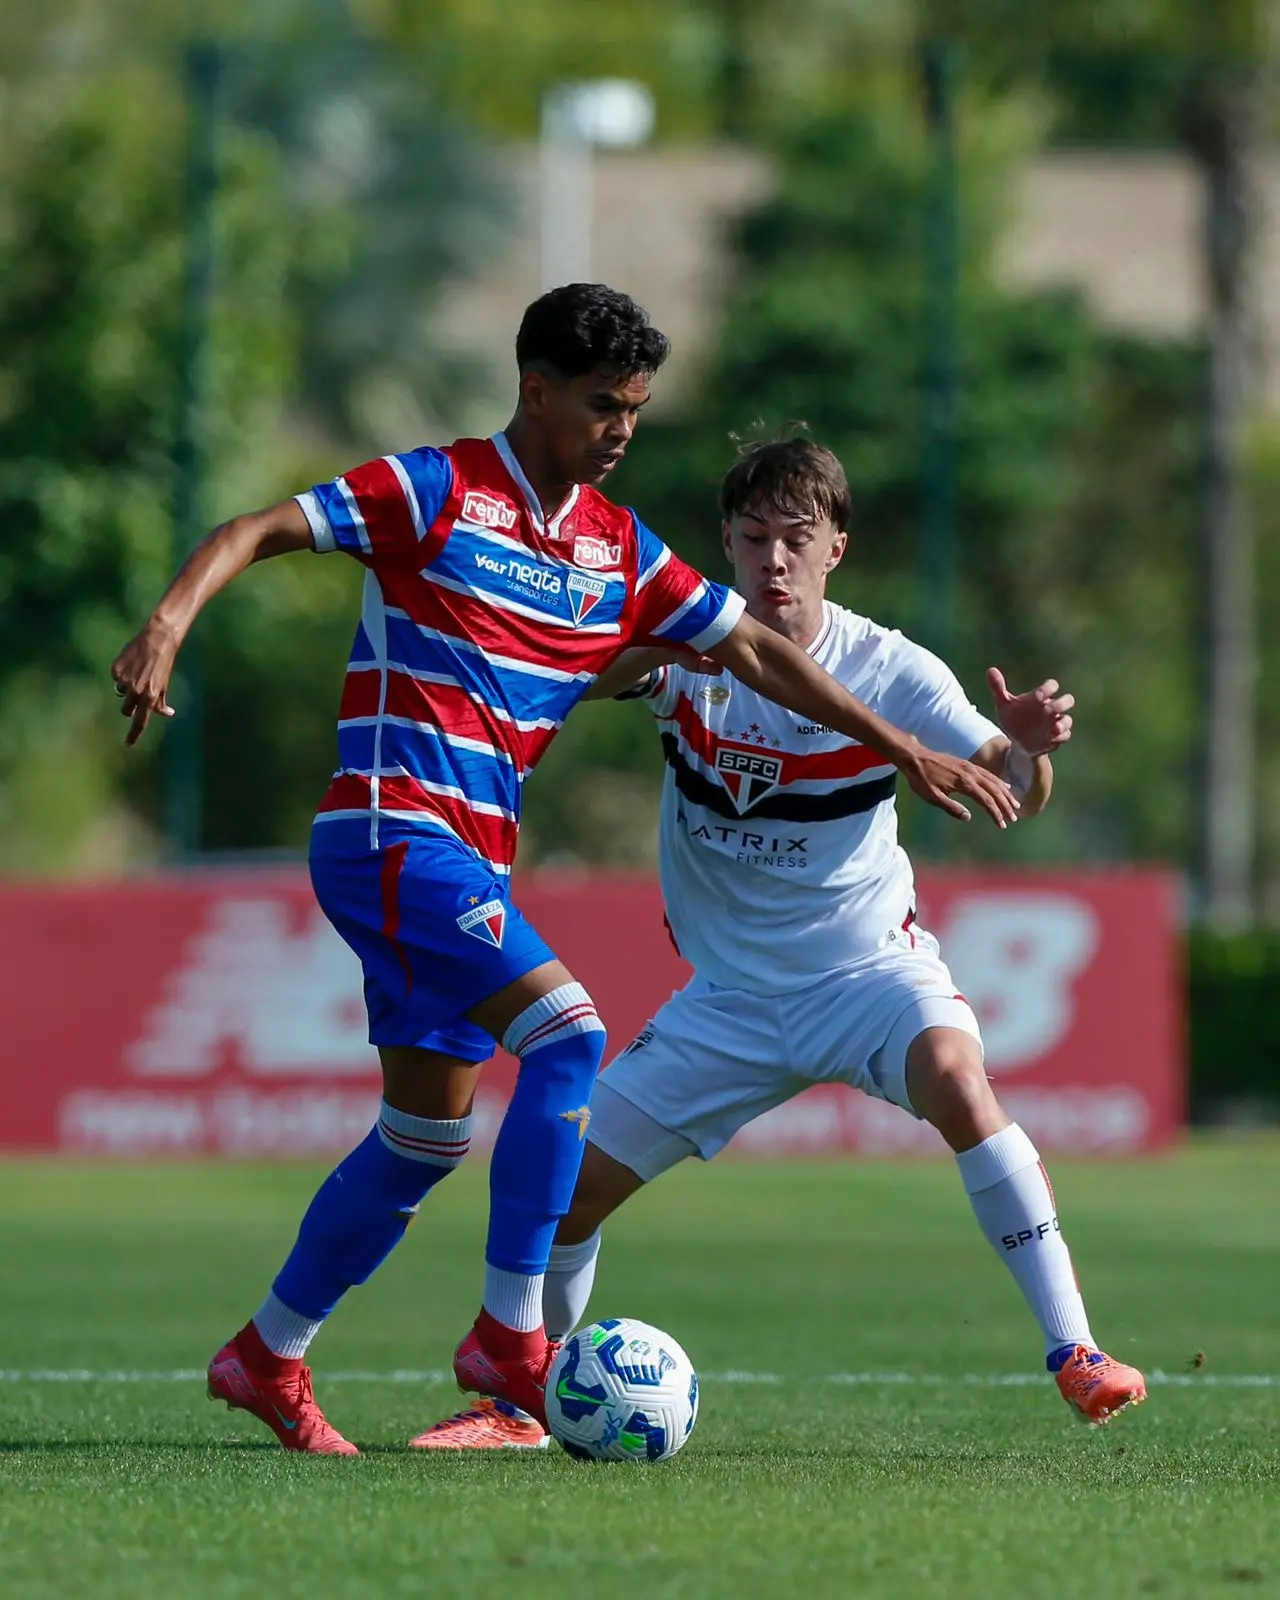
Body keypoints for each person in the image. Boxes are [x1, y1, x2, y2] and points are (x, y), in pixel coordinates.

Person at [110, 288, 1017, 1456]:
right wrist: (169, 621)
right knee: (569, 1032)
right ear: (535, 389)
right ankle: (508, 1341)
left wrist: (901, 746)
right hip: (392, 825)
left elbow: (747, 646)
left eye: (636, 407)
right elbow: (255, 528)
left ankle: (265, 1354)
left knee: (422, 1138)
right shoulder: (437, 491)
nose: (622, 428)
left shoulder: (617, 550)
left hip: (465, 851)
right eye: (603, 404)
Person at [413, 432, 1145, 1452]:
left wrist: (1023, 747)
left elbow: (1010, 786)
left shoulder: (888, 669)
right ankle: (517, 1406)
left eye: (796, 539)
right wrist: (566, 638)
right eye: (753, 537)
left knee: (957, 1076)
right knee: (564, 1197)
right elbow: (562, 678)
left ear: (835, 546)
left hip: (866, 976)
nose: (773, 560)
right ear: (724, 540)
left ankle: (1075, 1350)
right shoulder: (691, 651)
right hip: (729, 1001)